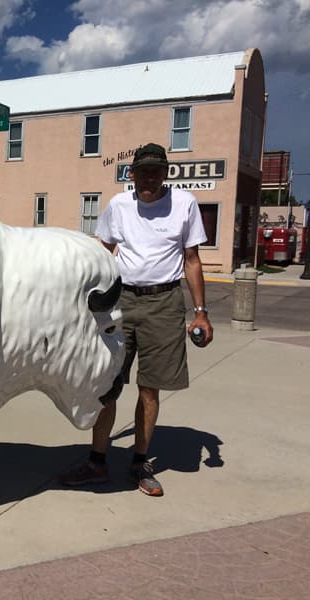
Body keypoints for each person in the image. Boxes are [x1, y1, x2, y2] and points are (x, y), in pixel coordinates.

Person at [60, 142, 213, 496]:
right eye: (143, 171)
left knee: (150, 386)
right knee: (108, 384)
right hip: (122, 300)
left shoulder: (184, 204)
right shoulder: (119, 205)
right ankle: (97, 462)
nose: (149, 178)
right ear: (132, 174)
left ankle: (139, 463)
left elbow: (191, 259)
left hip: (165, 302)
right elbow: (104, 253)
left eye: (156, 171)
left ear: (165, 173)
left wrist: (201, 313)